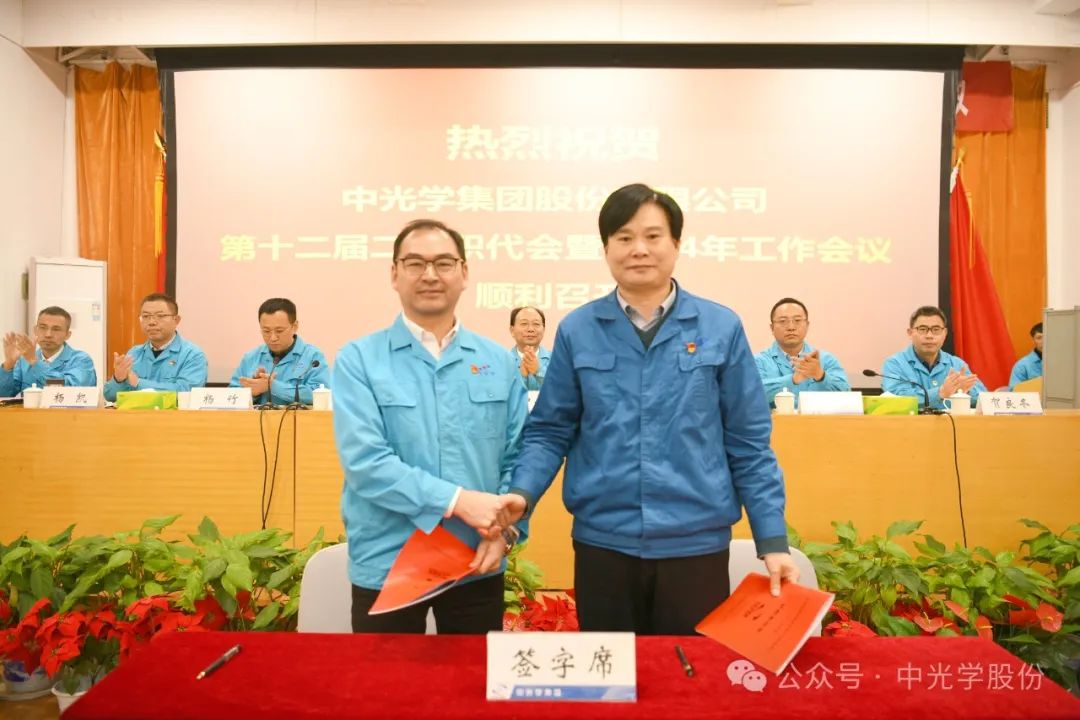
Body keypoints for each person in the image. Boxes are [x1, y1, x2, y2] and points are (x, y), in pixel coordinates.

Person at [502, 183, 798, 636]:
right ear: (606, 248)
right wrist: (521, 493)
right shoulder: (579, 329)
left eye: (653, 236)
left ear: (676, 243)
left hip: (695, 545)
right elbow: (550, 429)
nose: (638, 249)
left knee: (688, 673)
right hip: (603, 542)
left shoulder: (720, 326)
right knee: (611, 673)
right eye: (624, 237)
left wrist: (772, 539)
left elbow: (748, 441)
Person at [332, 218, 527, 634]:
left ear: (464, 272)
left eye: (443, 263)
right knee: (387, 676)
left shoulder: (498, 361)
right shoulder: (359, 359)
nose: (430, 275)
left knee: (473, 675)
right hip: (389, 561)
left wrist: (506, 533)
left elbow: (519, 458)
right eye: (415, 263)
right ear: (394, 273)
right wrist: (458, 501)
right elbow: (365, 462)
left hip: (478, 558)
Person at [103, 293, 208, 402]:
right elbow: (110, 397)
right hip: (137, 413)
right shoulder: (134, 354)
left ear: (176, 320)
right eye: (146, 316)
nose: (151, 322)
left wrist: (138, 383)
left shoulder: (192, 355)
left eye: (160, 316)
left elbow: (186, 393)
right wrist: (118, 380)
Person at [881, 305, 986, 410]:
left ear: (945, 333)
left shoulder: (957, 364)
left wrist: (965, 391)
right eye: (922, 329)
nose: (929, 336)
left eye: (936, 329)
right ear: (910, 333)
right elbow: (897, 399)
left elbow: (984, 400)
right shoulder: (895, 364)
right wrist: (940, 392)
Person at [229, 298, 330, 406]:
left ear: (295, 326)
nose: (273, 338)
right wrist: (252, 392)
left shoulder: (313, 357)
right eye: (266, 331)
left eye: (279, 331)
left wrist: (272, 386)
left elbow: (320, 396)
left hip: (298, 417)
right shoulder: (250, 358)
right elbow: (230, 397)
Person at [754, 297, 850, 407]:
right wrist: (793, 380)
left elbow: (847, 395)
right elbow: (751, 395)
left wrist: (821, 375)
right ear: (772, 328)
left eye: (797, 320)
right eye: (783, 321)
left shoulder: (826, 360)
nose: (791, 327)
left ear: (807, 325)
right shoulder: (758, 362)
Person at [0, 306, 97, 396]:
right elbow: (4, 395)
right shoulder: (24, 361)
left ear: (67, 335)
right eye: (43, 328)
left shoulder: (81, 360)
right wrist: (9, 364)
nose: (48, 334)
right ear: (35, 330)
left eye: (56, 329)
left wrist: (35, 362)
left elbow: (69, 391)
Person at [508, 306, 551, 391]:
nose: (530, 329)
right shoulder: (503, 361)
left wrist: (539, 371)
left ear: (543, 330)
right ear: (512, 330)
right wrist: (522, 377)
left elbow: (562, 390)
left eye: (536, 324)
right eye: (524, 324)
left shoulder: (556, 360)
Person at [1008, 322, 1043, 390]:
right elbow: (1014, 391)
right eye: (1039, 338)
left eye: (1047, 336)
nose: (1043, 341)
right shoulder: (1022, 365)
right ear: (1033, 341)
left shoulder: (1062, 362)